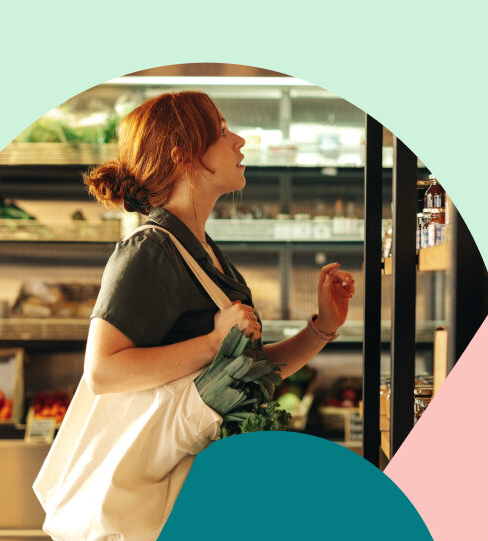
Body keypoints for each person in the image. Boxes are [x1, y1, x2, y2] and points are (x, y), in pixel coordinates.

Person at [83, 91, 354, 396]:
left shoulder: (202, 250)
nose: (239, 140)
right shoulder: (151, 249)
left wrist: (323, 328)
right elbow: (102, 373)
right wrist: (214, 342)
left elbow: (251, 372)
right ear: (183, 157)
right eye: (222, 132)